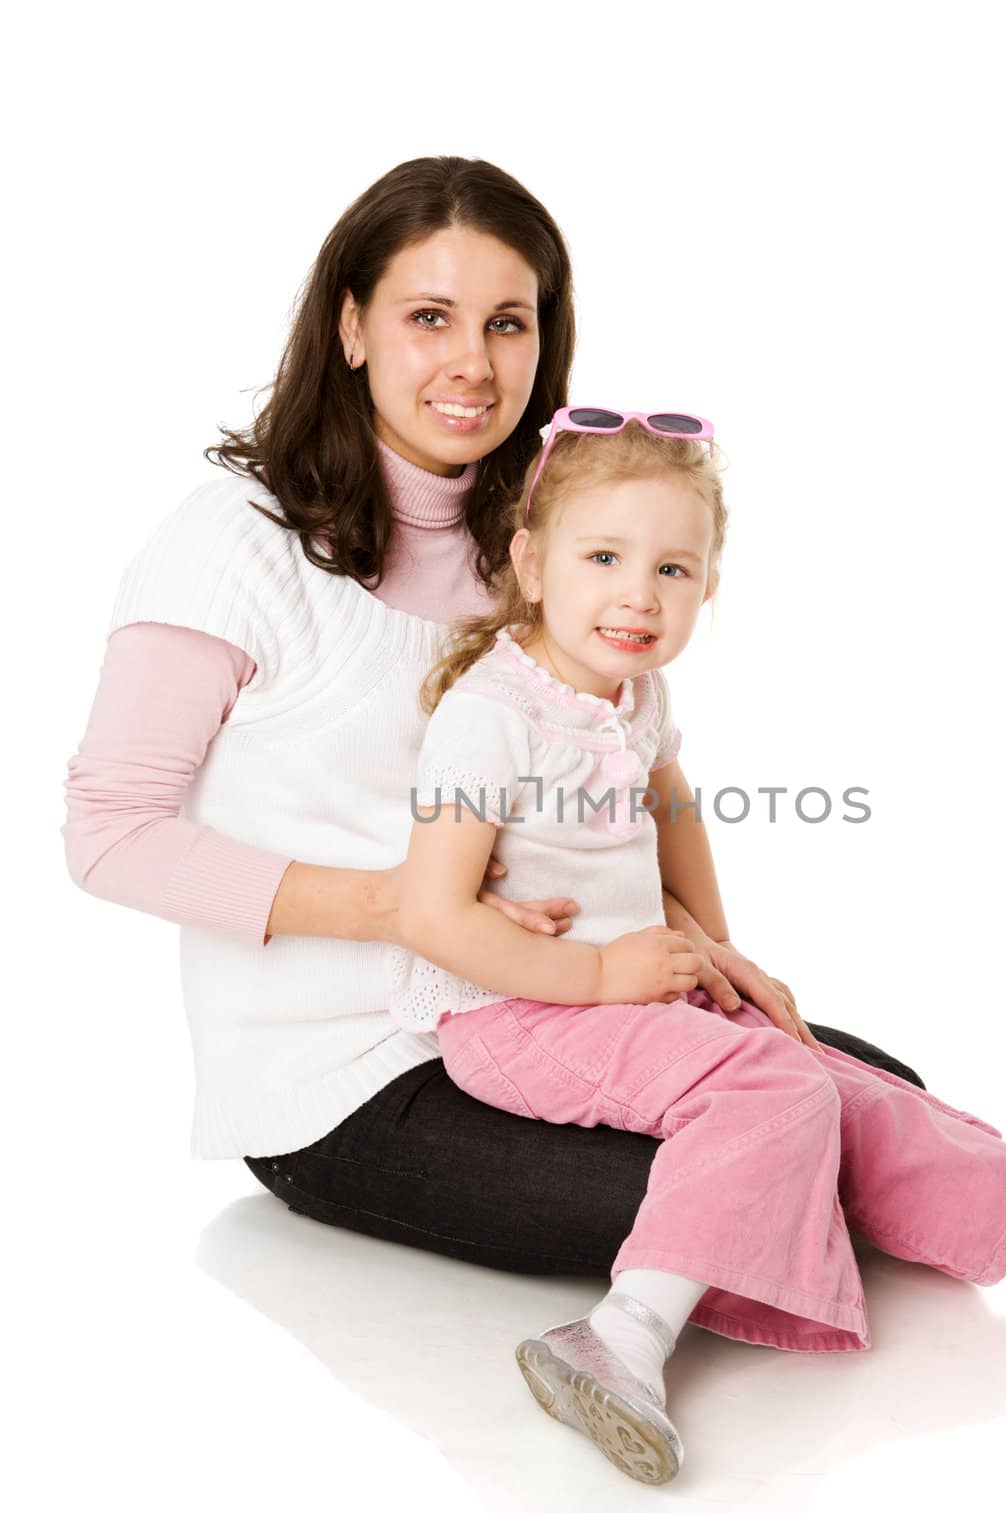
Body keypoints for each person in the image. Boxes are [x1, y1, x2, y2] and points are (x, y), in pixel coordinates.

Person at [59, 156, 927, 1286]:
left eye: (507, 323)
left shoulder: (540, 542)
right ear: (352, 328)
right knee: (756, 1180)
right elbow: (109, 835)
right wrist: (421, 910)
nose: (472, 363)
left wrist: (703, 948)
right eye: (429, 317)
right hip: (347, 1074)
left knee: (876, 1107)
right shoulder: (232, 544)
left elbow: (638, 777)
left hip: (559, 1013)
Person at [382, 407, 1006, 1486]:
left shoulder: (635, 692)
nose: (638, 594)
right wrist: (600, 972)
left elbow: (666, 806)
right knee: (772, 1093)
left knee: (840, 1086)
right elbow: (434, 916)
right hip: (517, 1011)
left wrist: (711, 946)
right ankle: (619, 1337)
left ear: (707, 588)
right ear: (530, 563)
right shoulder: (492, 713)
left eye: (672, 568)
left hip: (627, 996)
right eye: (604, 557)